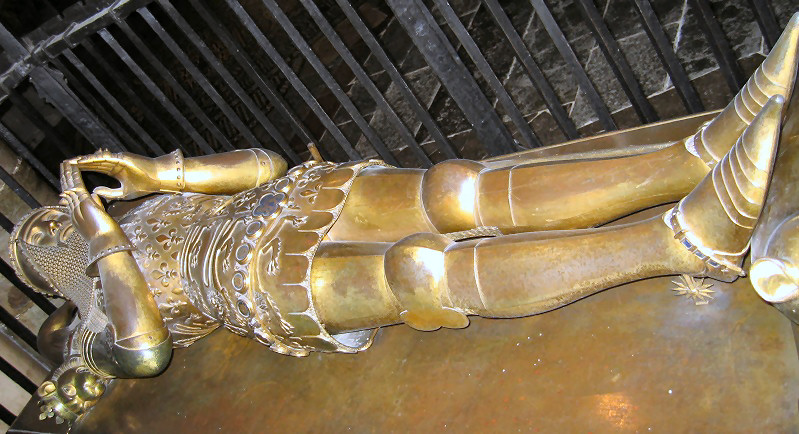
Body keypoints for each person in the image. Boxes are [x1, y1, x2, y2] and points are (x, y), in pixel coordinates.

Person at [11, 14, 799, 425]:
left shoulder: (150, 208)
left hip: (296, 202)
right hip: (263, 285)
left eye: (42, 222)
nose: (47, 230)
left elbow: (263, 167)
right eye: (33, 243)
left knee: (458, 189)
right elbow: (145, 348)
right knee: (425, 272)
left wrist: (159, 173)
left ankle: (697, 152)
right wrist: (99, 242)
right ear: (37, 274)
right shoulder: (87, 319)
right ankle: (678, 242)